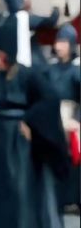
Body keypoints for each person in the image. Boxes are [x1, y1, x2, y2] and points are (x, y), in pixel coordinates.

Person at [0, 13, 69, 228]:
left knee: (21, 186)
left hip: (21, 140)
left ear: (9, 53)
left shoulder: (28, 75)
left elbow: (50, 98)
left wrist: (30, 120)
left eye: (1, 55)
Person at [47, 24, 80, 213]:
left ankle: (73, 199)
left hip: (71, 116)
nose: (59, 45)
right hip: (53, 115)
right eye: (58, 41)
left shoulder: (77, 69)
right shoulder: (51, 68)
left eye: (64, 42)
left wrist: (77, 119)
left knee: (73, 158)